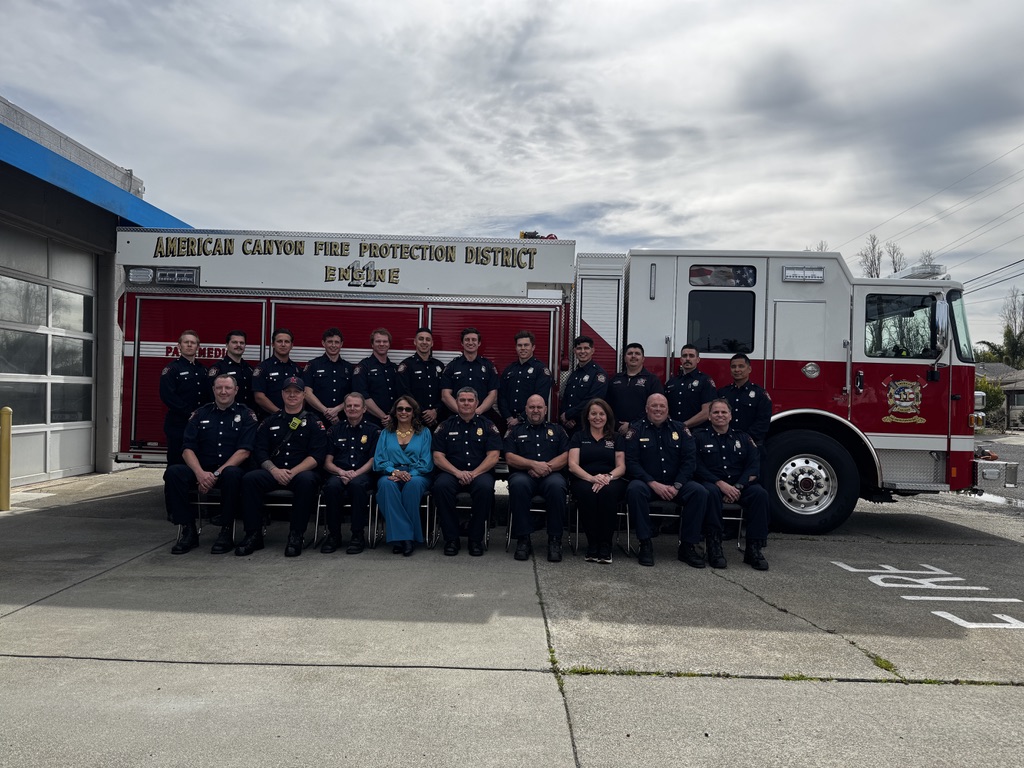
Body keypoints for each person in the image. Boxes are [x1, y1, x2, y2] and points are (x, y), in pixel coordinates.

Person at [163, 374, 257, 555]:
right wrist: (200, 473)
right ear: (213, 390)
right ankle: (188, 530)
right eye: (219, 388)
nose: (223, 392)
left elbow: (244, 451)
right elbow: (187, 448)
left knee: (232, 474)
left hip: (229, 471)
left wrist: (216, 474)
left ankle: (226, 531)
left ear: (236, 390)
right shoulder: (200, 414)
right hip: (202, 470)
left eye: (228, 388)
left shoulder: (246, 415)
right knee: (174, 473)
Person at [236, 376, 327, 557]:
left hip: (300, 472)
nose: (292, 395)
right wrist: (274, 470)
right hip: (274, 471)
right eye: (288, 392)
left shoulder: (314, 422)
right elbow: (260, 451)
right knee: (250, 479)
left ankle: (296, 535)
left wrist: (293, 472)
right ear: (282, 394)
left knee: (307, 481)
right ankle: (253, 534)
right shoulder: (270, 421)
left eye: (296, 392)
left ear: (303, 395)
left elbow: (317, 455)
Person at [624, 393, 718, 568]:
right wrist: (653, 483)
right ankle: (645, 544)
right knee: (634, 489)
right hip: (649, 484)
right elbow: (631, 462)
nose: (658, 409)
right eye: (654, 406)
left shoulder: (680, 429)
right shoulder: (635, 431)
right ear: (646, 409)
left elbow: (689, 461)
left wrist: (677, 485)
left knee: (699, 492)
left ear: (668, 409)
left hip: (677, 484)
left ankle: (687, 546)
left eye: (662, 406)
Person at [694, 398, 771, 571]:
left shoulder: (744, 438)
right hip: (713, 484)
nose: (720, 415)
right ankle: (714, 546)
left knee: (760, 494)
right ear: (709, 416)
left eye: (724, 412)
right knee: (710, 492)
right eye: (715, 412)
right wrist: (720, 484)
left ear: (730, 416)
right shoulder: (699, 437)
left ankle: (754, 549)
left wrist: (738, 487)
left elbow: (753, 467)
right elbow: (696, 466)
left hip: (739, 486)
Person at [432, 387, 502, 556]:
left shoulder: (488, 426)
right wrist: (458, 473)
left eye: (470, 400)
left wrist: (473, 474)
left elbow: (493, 456)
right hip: (451, 473)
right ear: (456, 402)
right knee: (440, 487)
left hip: (479, 473)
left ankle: (475, 539)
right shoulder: (445, 426)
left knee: (485, 488)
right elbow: (438, 457)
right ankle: (451, 538)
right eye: (462, 400)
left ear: (477, 403)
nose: (466, 403)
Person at [504, 394, 569, 562]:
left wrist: (546, 468)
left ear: (545, 410)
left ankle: (555, 540)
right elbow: (509, 457)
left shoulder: (558, 430)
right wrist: (532, 465)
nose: (535, 410)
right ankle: (523, 539)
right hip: (524, 474)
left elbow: (566, 456)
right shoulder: (514, 431)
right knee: (518, 484)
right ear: (525, 410)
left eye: (539, 407)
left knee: (557, 486)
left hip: (551, 475)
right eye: (532, 407)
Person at [568, 398, 627, 563]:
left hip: (611, 480)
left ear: (607, 417)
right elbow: (572, 465)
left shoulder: (616, 438)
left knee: (607, 493)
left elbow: (621, 466)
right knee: (588, 494)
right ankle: (592, 544)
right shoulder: (578, 436)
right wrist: (591, 478)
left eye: (602, 414)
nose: (597, 417)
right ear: (587, 416)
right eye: (593, 414)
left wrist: (608, 477)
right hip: (584, 478)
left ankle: (606, 545)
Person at [373, 395, 434, 556]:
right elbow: (379, 460)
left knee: (412, 485)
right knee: (386, 485)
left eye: (408, 409)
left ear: (414, 412)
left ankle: (399, 538)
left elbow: (426, 462)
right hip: (391, 473)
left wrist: (409, 474)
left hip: (418, 474)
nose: (404, 412)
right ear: (394, 412)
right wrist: (395, 472)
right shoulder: (386, 433)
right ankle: (407, 538)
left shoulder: (425, 432)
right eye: (400, 409)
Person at [320, 392, 379, 555]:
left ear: (364, 409)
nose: (352, 408)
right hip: (338, 473)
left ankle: (357, 535)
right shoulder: (334, 430)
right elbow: (327, 462)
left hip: (363, 474)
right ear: (344, 409)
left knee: (357, 485)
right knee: (331, 487)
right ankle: (334, 535)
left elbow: (373, 460)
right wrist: (341, 472)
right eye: (349, 406)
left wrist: (355, 473)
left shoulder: (373, 431)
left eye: (356, 406)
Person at [160, 329, 210, 465]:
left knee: (199, 459)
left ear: (198, 347)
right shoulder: (172, 369)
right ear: (179, 346)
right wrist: (190, 412)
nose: (189, 345)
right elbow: (168, 396)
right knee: (177, 460)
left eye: (193, 343)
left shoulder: (203, 370)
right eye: (186, 342)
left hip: (199, 423)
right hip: (178, 423)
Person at [717, 353, 771, 464]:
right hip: (726, 445)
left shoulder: (760, 394)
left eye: (741, 366)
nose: (737, 370)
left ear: (749, 369)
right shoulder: (723, 393)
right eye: (733, 367)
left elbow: (763, 422)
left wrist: (743, 439)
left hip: (751, 445)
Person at [498, 330, 553, 428]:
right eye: (519, 345)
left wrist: (520, 419)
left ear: (533, 347)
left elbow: (541, 397)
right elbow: (501, 396)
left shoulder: (540, 370)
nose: (523, 348)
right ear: (516, 348)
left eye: (526, 345)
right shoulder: (509, 370)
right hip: (509, 422)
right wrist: (508, 417)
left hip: (531, 422)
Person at [440, 327, 500, 417]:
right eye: (467, 340)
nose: (470, 343)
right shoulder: (452, 366)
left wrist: (478, 411)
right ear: (462, 343)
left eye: (474, 340)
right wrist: (462, 412)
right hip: (457, 417)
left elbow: (493, 395)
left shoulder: (488, 366)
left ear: (479, 343)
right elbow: (445, 395)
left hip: (482, 416)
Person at [606, 343, 664, 434]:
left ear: (643, 359)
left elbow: (655, 407)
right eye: (630, 353)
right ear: (625, 358)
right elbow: (607, 405)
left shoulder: (652, 380)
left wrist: (631, 425)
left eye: (637, 353)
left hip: (643, 431)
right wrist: (617, 425)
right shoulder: (615, 379)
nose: (633, 356)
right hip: (617, 431)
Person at [303, 327, 354, 427]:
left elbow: (354, 395)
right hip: (316, 420)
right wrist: (326, 411)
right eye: (330, 342)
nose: (333, 345)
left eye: (337, 342)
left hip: (341, 420)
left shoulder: (349, 367)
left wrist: (337, 410)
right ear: (323, 343)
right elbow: (307, 393)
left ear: (341, 344)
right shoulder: (313, 365)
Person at [397, 327, 445, 428]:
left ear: (432, 343)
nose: (424, 342)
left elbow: (444, 392)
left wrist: (435, 411)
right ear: (415, 342)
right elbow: (404, 393)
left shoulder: (439, 365)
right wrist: (424, 413)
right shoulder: (406, 365)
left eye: (428, 339)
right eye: (421, 339)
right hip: (414, 419)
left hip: (437, 419)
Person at [559, 335, 608, 434]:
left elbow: (593, 400)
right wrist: (565, 418)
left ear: (592, 350)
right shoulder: (574, 374)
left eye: (586, 348)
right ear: (574, 351)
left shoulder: (598, 374)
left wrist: (569, 415)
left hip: (586, 426)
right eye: (579, 348)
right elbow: (566, 398)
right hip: (570, 426)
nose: (582, 351)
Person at [353, 328, 400, 427]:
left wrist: (393, 416)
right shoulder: (364, 367)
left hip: (393, 421)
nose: (382, 344)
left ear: (389, 344)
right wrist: (384, 417)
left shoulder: (394, 368)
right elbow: (362, 396)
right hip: (371, 423)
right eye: (378, 341)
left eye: (385, 341)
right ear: (372, 344)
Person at [252, 328, 302, 417]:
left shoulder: (296, 369)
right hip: (269, 419)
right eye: (279, 341)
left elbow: (302, 394)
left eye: (287, 342)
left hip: (294, 419)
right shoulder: (263, 368)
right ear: (273, 344)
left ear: (291, 345)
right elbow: (259, 397)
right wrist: (281, 414)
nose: (283, 344)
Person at [665, 344, 716, 429]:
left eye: (691, 356)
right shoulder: (671, 382)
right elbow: (664, 408)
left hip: (697, 432)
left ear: (698, 359)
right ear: (681, 359)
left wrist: (684, 425)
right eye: (684, 356)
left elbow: (707, 411)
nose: (687, 359)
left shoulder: (705, 381)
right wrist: (672, 425)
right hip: (674, 431)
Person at [208, 330, 254, 411]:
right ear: (227, 345)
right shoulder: (218, 368)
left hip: (247, 414)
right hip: (225, 414)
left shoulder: (249, 368)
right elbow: (211, 395)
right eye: (234, 342)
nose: (238, 345)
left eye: (242, 343)